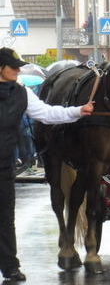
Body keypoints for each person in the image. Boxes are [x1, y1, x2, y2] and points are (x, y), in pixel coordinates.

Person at [0, 48, 94, 282]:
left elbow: (46, 113)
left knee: (5, 220)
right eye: (12, 66)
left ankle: (10, 267)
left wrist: (78, 111)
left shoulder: (22, 93)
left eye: (18, 66)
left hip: (4, 166)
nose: (17, 70)